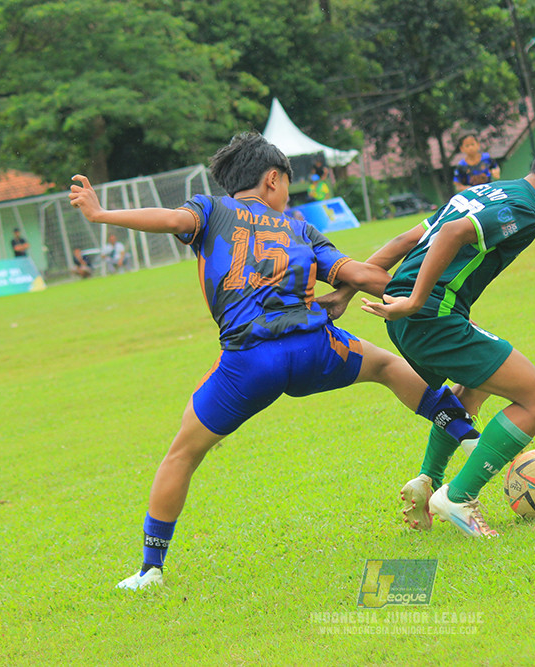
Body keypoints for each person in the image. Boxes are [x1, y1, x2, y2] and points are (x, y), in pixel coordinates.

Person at [68, 132, 480, 588]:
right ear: (272, 179)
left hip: (249, 364)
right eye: (286, 181)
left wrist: (101, 213)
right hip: (316, 349)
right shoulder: (300, 227)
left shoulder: (209, 210)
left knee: (181, 455)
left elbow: (168, 219)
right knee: (387, 367)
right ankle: (469, 442)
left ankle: (150, 569)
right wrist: (421, 294)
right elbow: (363, 275)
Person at [320, 130, 535, 538]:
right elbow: (452, 236)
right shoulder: (524, 209)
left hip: (411, 318)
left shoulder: (485, 190)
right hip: (430, 315)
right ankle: (459, 497)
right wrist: (417, 300)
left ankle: (427, 481)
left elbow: (408, 239)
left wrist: (346, 291)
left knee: (475, 388)